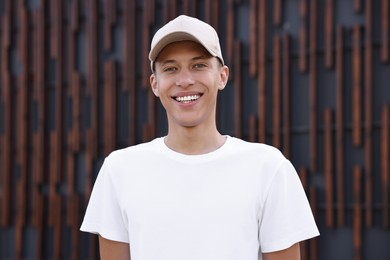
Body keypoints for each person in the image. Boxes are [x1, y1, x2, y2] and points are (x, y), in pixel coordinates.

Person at [80, 14, 320, 260]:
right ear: (155, 83)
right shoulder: (119, 169)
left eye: (199, 65)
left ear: (222, 76)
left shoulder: (268, 167)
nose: (185, 81)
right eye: (171, 68)